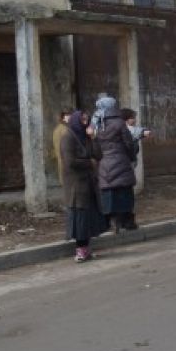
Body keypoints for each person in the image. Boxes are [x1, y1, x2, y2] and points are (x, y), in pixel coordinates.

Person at [59, 109, 106, 262]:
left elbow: (98, 155)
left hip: (88, 183)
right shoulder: (68, 137)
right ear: (76, 121)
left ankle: (86, 249)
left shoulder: (85, 137)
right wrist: (89, 163)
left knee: (87, 218)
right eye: (83, 120)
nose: (86, 123)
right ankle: (80, 251)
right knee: (80, 218)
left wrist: (93, 137)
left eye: (87, 120)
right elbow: (70, 162)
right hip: (76, 185)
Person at [95, 96, 139, 232]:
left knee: (109, 195)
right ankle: (127, 222)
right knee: (125, 194)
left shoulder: (97, 123)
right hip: (121, 162)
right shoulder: (119, 123)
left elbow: (95, 147)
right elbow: (128, 143)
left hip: (104, 163)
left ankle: (111, 221)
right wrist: (131, 158)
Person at [51, 109, 70, 178]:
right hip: (66, 157)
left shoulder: (56, 130)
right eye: (68, 117)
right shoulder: (65, 129)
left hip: (60, 157)